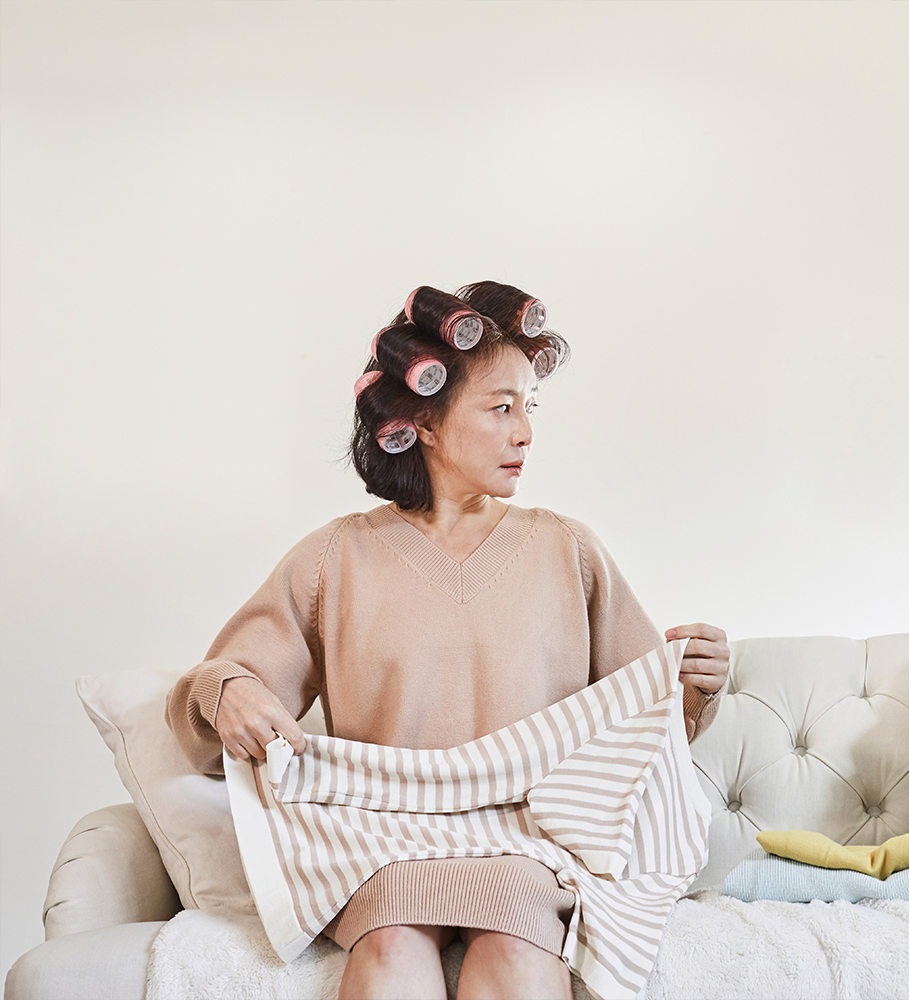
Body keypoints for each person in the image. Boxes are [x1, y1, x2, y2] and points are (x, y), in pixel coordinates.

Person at [167, 281, 730, 1000]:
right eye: (501, 408)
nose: (525, 433)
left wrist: (696, 686)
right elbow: (211, 701)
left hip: (529, 841)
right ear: (425, 423)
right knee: (391, 944)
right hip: (383, 841)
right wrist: (227, 692)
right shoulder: (334, 558)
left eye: (529, 407)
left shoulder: (568, 550)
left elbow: (648, 731)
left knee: (515, 946)